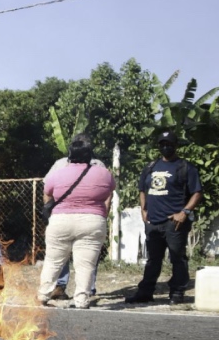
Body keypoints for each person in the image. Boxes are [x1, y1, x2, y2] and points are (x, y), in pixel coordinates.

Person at [125, 131, 203, 305]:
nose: (166, 147)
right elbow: (142, 190)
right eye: (162, 144)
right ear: (158, 146)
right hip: (153, 222)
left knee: (177, 258)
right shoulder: (151, 167)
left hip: (174, 222)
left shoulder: (185, 167)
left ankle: (177, 292)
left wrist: (184, 212)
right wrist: (143, 210)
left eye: (169, 144)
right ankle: (145, 292)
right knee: (153, 259)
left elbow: (197, 193)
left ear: (175, 146)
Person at [38, 134, 115, 309]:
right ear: (89, 155)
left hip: (61, 219)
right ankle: (81, 299)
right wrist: (102, 213)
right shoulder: (103, 172)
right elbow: (109, 191)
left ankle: (43, 295)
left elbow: (47, 192)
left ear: (70, 155)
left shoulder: (58, 171)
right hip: (92, 220)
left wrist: (51, 213)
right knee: (85, 264)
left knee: (53, 260)